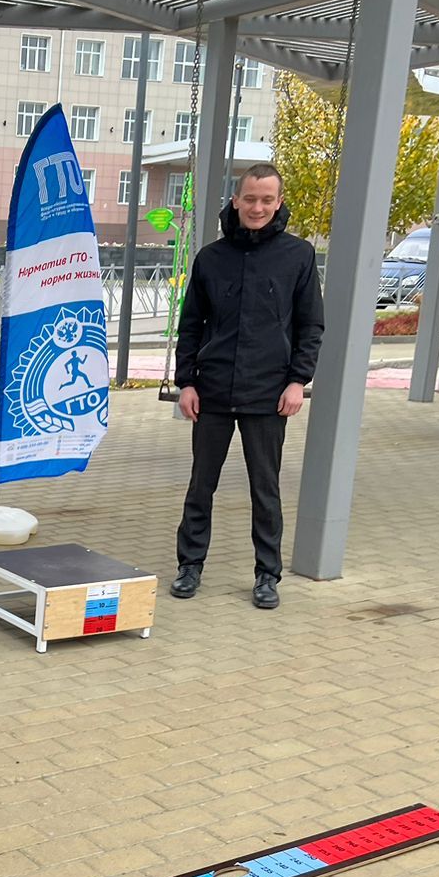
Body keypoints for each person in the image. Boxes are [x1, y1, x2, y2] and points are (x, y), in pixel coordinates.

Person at [170, 163, 324, 610]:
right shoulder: (210, 259)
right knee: (202, 484)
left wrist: (298, 381)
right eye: (250, 198)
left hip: (268, 393)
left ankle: (266, 575)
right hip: (213, 389)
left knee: (265, 488)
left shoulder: (298, 256)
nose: (258, 207)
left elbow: (312, 325)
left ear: (279, 203)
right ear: (235, 200)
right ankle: (190, 566)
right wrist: (186, 383)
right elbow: (190, 327)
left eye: (267, 200)